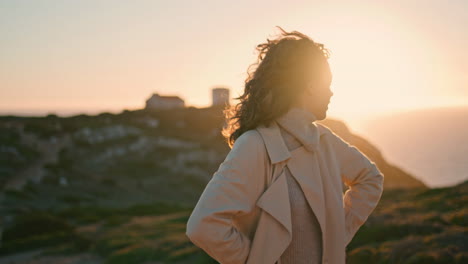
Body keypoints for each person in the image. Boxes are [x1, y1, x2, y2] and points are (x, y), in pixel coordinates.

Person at [186, 26, 384, 264]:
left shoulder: (324, 140)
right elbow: (203, 226)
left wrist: (336, 236)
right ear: (310, 84)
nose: (331, 93)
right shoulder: (254, 145)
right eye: (327, 83)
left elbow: (370, 179)